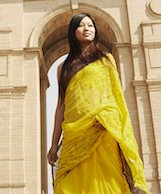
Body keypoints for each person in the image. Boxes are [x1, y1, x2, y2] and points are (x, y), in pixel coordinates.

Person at [47, 13, 150, 194]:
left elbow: (115, 96)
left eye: (91, 25)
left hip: (103, 128)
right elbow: (61, 106)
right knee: (66, 187)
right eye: (81, 25)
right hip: (74, 134)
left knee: (108, 182)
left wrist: (108, 119)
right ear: (73, 31)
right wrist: (54, 145)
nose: (87, 29)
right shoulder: (62, 68)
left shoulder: (106, 59)